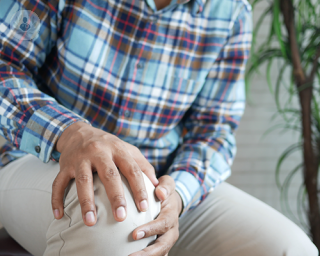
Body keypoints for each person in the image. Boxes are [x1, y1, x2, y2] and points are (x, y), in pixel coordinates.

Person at [0, 0, 318, 255]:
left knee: (292, 249)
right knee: (111, 213)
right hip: (39, 161)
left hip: (159, 179)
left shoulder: (231, 11)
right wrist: (71, 134)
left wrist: (176, 195)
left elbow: (214, 130)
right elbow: (5, 66)